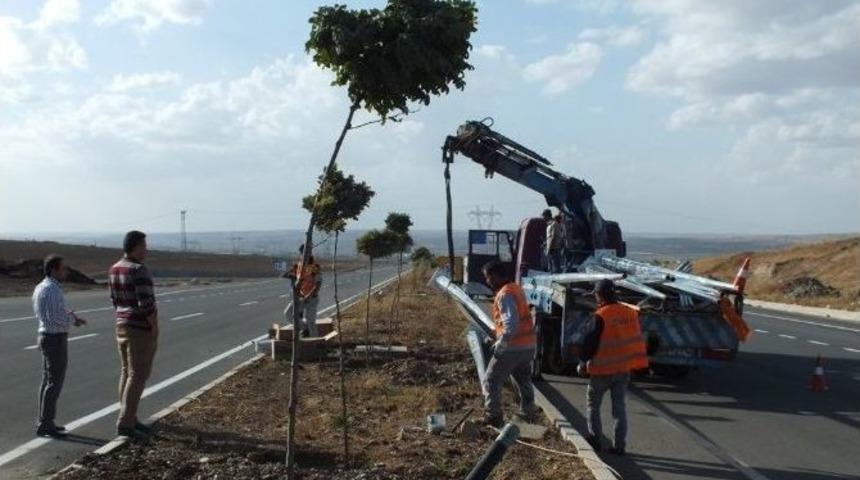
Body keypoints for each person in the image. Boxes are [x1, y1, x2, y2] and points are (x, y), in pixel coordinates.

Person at [578, 279, 648, 455]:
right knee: (619, 409)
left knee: (593, 405)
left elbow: (589, 343)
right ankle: (619, 446)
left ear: (599, 295)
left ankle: (595, 439)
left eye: (595, 294)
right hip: (623, 369)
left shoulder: (600, 316)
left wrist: (582, 362)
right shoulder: (630, 313)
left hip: (602, 370)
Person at [108, 230, 158, 439]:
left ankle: (129, 416)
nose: (146, 250)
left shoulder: (114, 268)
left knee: (127, 372)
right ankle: (126, 423)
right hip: (139, 327)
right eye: (144, 246)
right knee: (138, 375)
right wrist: (154, 326)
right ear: (136, 247)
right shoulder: (139, 270)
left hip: (121, 324)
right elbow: (146, 304)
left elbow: (113, 299)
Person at [33, 255, 87, 437]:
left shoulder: (43, 287)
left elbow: (54, 314)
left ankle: (45, 420)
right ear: (54, 270)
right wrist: (72, 319)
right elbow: (54, 318)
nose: (66, 271)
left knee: (48, 380)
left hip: (48, 336)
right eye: (63, 268)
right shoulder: (51, 290)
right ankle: (45, 423)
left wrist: (70, 317)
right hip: (53, 338)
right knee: (54, 382)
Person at [481, 260, 537, 427]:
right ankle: (528, 412)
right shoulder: (516, 288)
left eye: (488, 277)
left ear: (496, 276)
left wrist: (502, 343)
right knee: (523, 379)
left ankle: (494, 416)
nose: (487, 281)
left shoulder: (504, 294)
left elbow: (511, 323)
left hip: (513, 347)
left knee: (491, 380)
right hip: (528, 346)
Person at [284, 244, 322, 337]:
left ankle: (315, 343)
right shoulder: (298, 265)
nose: (304, 254)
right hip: (300, 297)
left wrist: (309, 296)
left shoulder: (314, 266)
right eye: (302, 253)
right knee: (288, 314)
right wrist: (290, 275)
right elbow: (288, 274)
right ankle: (304, 328)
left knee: (311, 322)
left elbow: (318, 283)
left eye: (307, 252)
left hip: (311, 298)